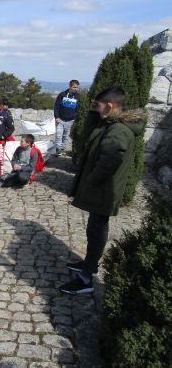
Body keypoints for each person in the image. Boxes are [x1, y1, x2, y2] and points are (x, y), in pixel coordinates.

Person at [60, 87, 145, 295]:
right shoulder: (111, 123)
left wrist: (91, 180)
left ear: (109, 106)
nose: (95, 110)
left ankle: (86, 278)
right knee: (94, 228)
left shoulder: (119, 130)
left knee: (97, 231)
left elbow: (110, 161)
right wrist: (91, 111)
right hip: (101, 188)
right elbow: (88, 135)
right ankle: (89, 264)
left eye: (97, 106)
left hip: (104, 189)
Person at [54, 80, 80, 156]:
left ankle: (63, 149)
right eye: (74, 87)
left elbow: (78, 108)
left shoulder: (78, 96)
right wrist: (57, 117)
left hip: (71, 120)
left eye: (77, 87)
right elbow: (56, 107)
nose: (76, 89)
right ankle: (58, 150)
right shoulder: (62, 95)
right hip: (60, 119)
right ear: (70, 86)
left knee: (65, 136)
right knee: (59, 135)